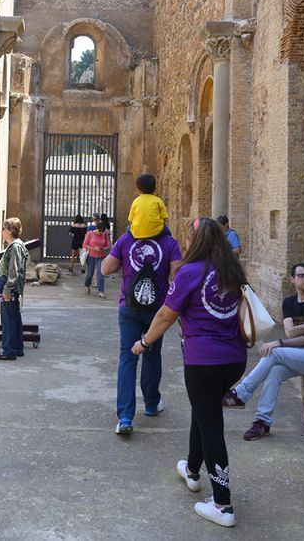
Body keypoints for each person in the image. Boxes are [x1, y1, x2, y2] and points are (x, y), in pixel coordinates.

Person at [132, 217, 247, 527]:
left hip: (203, 360)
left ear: (195, 242)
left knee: (212, 425)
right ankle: (193, 470)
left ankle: (222, 504)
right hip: (234, 359)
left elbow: (167, 314)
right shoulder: (233, 273)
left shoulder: (189, 272)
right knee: (204, 409)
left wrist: (144, 342)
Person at [222, 262, 304, 440]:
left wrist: (279, 342)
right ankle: (262, 422)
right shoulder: (289, 303)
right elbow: (290, 332)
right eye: (301, 275)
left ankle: (241, 394)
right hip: (301, 355)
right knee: (275, 371)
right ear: (292, 279)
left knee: (274, 352)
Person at [101, 211, 182, 435]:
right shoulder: (170, 243)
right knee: (152, 354)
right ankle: (151, 404)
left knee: (127, 358)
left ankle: (125, 418)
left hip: (129, 307)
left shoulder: (126, 240)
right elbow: (178, 275)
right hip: (157, 310)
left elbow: (105, 269)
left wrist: (126, 261)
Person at [0, 217, 29, 361]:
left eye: (4, 229)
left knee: (8, 321)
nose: (2, 232)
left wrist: (7, 290)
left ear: (10, 231)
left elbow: (13, 271)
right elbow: (4, 267)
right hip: (11, 288)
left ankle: (8, 351)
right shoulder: (15, 246)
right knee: (14, 318)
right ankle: (17, 348)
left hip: (9, 289)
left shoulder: (15, 247)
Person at [128, 173, 169, 239]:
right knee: (168, 232)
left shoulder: (135, 201)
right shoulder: (158, 201)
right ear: (155, 188)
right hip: (156, 232)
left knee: (127, 229)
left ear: (138, 189)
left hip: (137, 233)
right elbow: (164, 218)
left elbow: (131, 220)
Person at [82, 218, 111, 297]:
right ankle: (87, 285)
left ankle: (101, 291)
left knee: (101, 273)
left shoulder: (104, 234)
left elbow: (108, 246)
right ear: (97, 229)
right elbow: (84, 245)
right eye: (100, 231)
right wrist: (94, 249)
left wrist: (103, 248)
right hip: (91, 256)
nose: (101, 233)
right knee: (90, 273)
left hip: (101, 256)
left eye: (102, 231)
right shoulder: (90, 234)